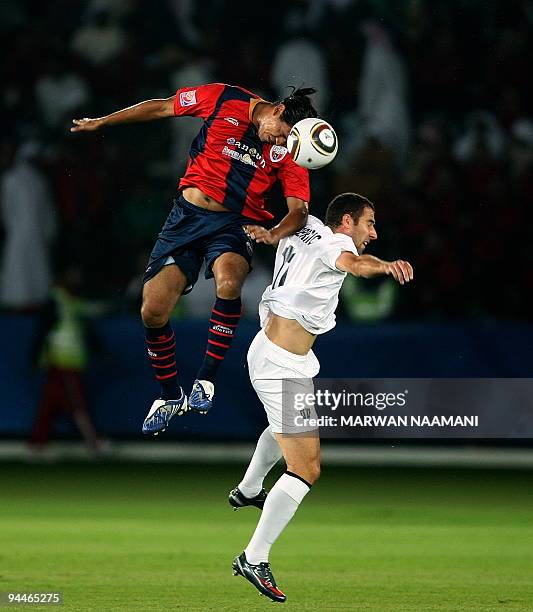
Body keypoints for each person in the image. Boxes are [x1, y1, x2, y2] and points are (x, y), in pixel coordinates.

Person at [71, 83, 318, 433]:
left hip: (235, 224)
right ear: (278, 111)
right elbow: (161, 106)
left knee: (229, 281)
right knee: (152, 311)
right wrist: (103, 122)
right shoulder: (224, 98)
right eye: (281, 134)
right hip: (186, 218)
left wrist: (274, 233)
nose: (280, 143)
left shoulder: (292, 151)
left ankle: (206, 380)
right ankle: (170, 395)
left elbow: (299, 211)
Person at [229, 192, 414, 602]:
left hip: (272, 350)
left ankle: (248, 488)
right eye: (369, 223)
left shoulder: (305, 224)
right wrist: (384, 266)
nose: (374, 233)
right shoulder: (337, 242)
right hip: (281, 363)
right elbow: (354, 264)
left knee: (282, 429)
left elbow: (296, 209)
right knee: (307, 467)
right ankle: (253, 557)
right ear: (346, 221)